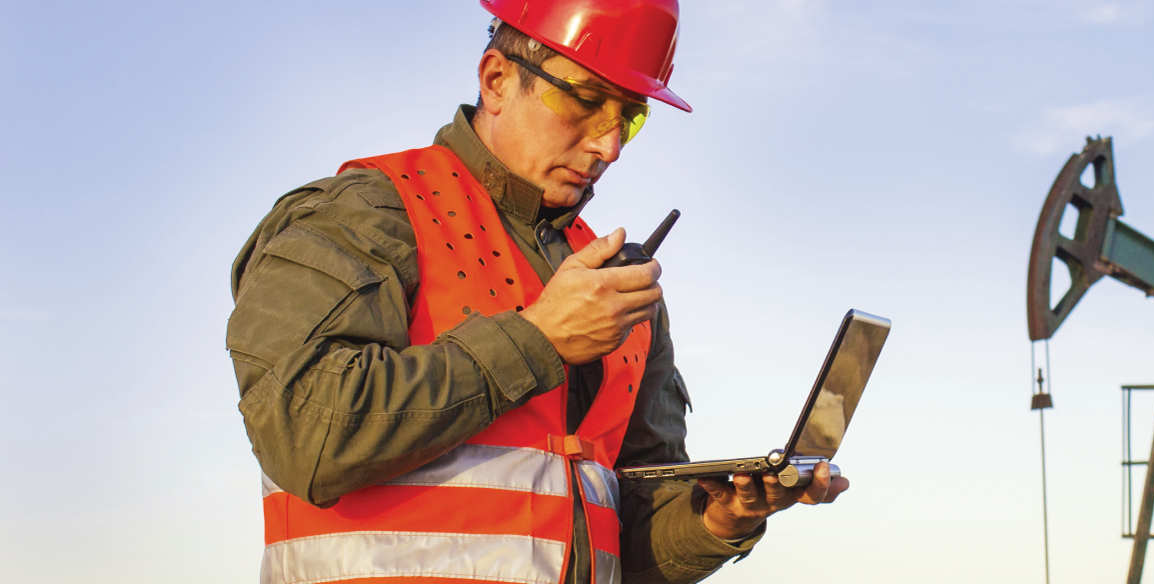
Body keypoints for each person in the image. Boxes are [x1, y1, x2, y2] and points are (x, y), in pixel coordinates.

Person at [226, 2, 849, 583]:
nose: (608, 147)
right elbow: (301, 436)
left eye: (628, 117)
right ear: (497, 79)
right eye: (584, 101)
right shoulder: (361, 213)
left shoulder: (617, 287)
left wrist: (721, 521)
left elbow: (622, 531)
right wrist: (538, 339)